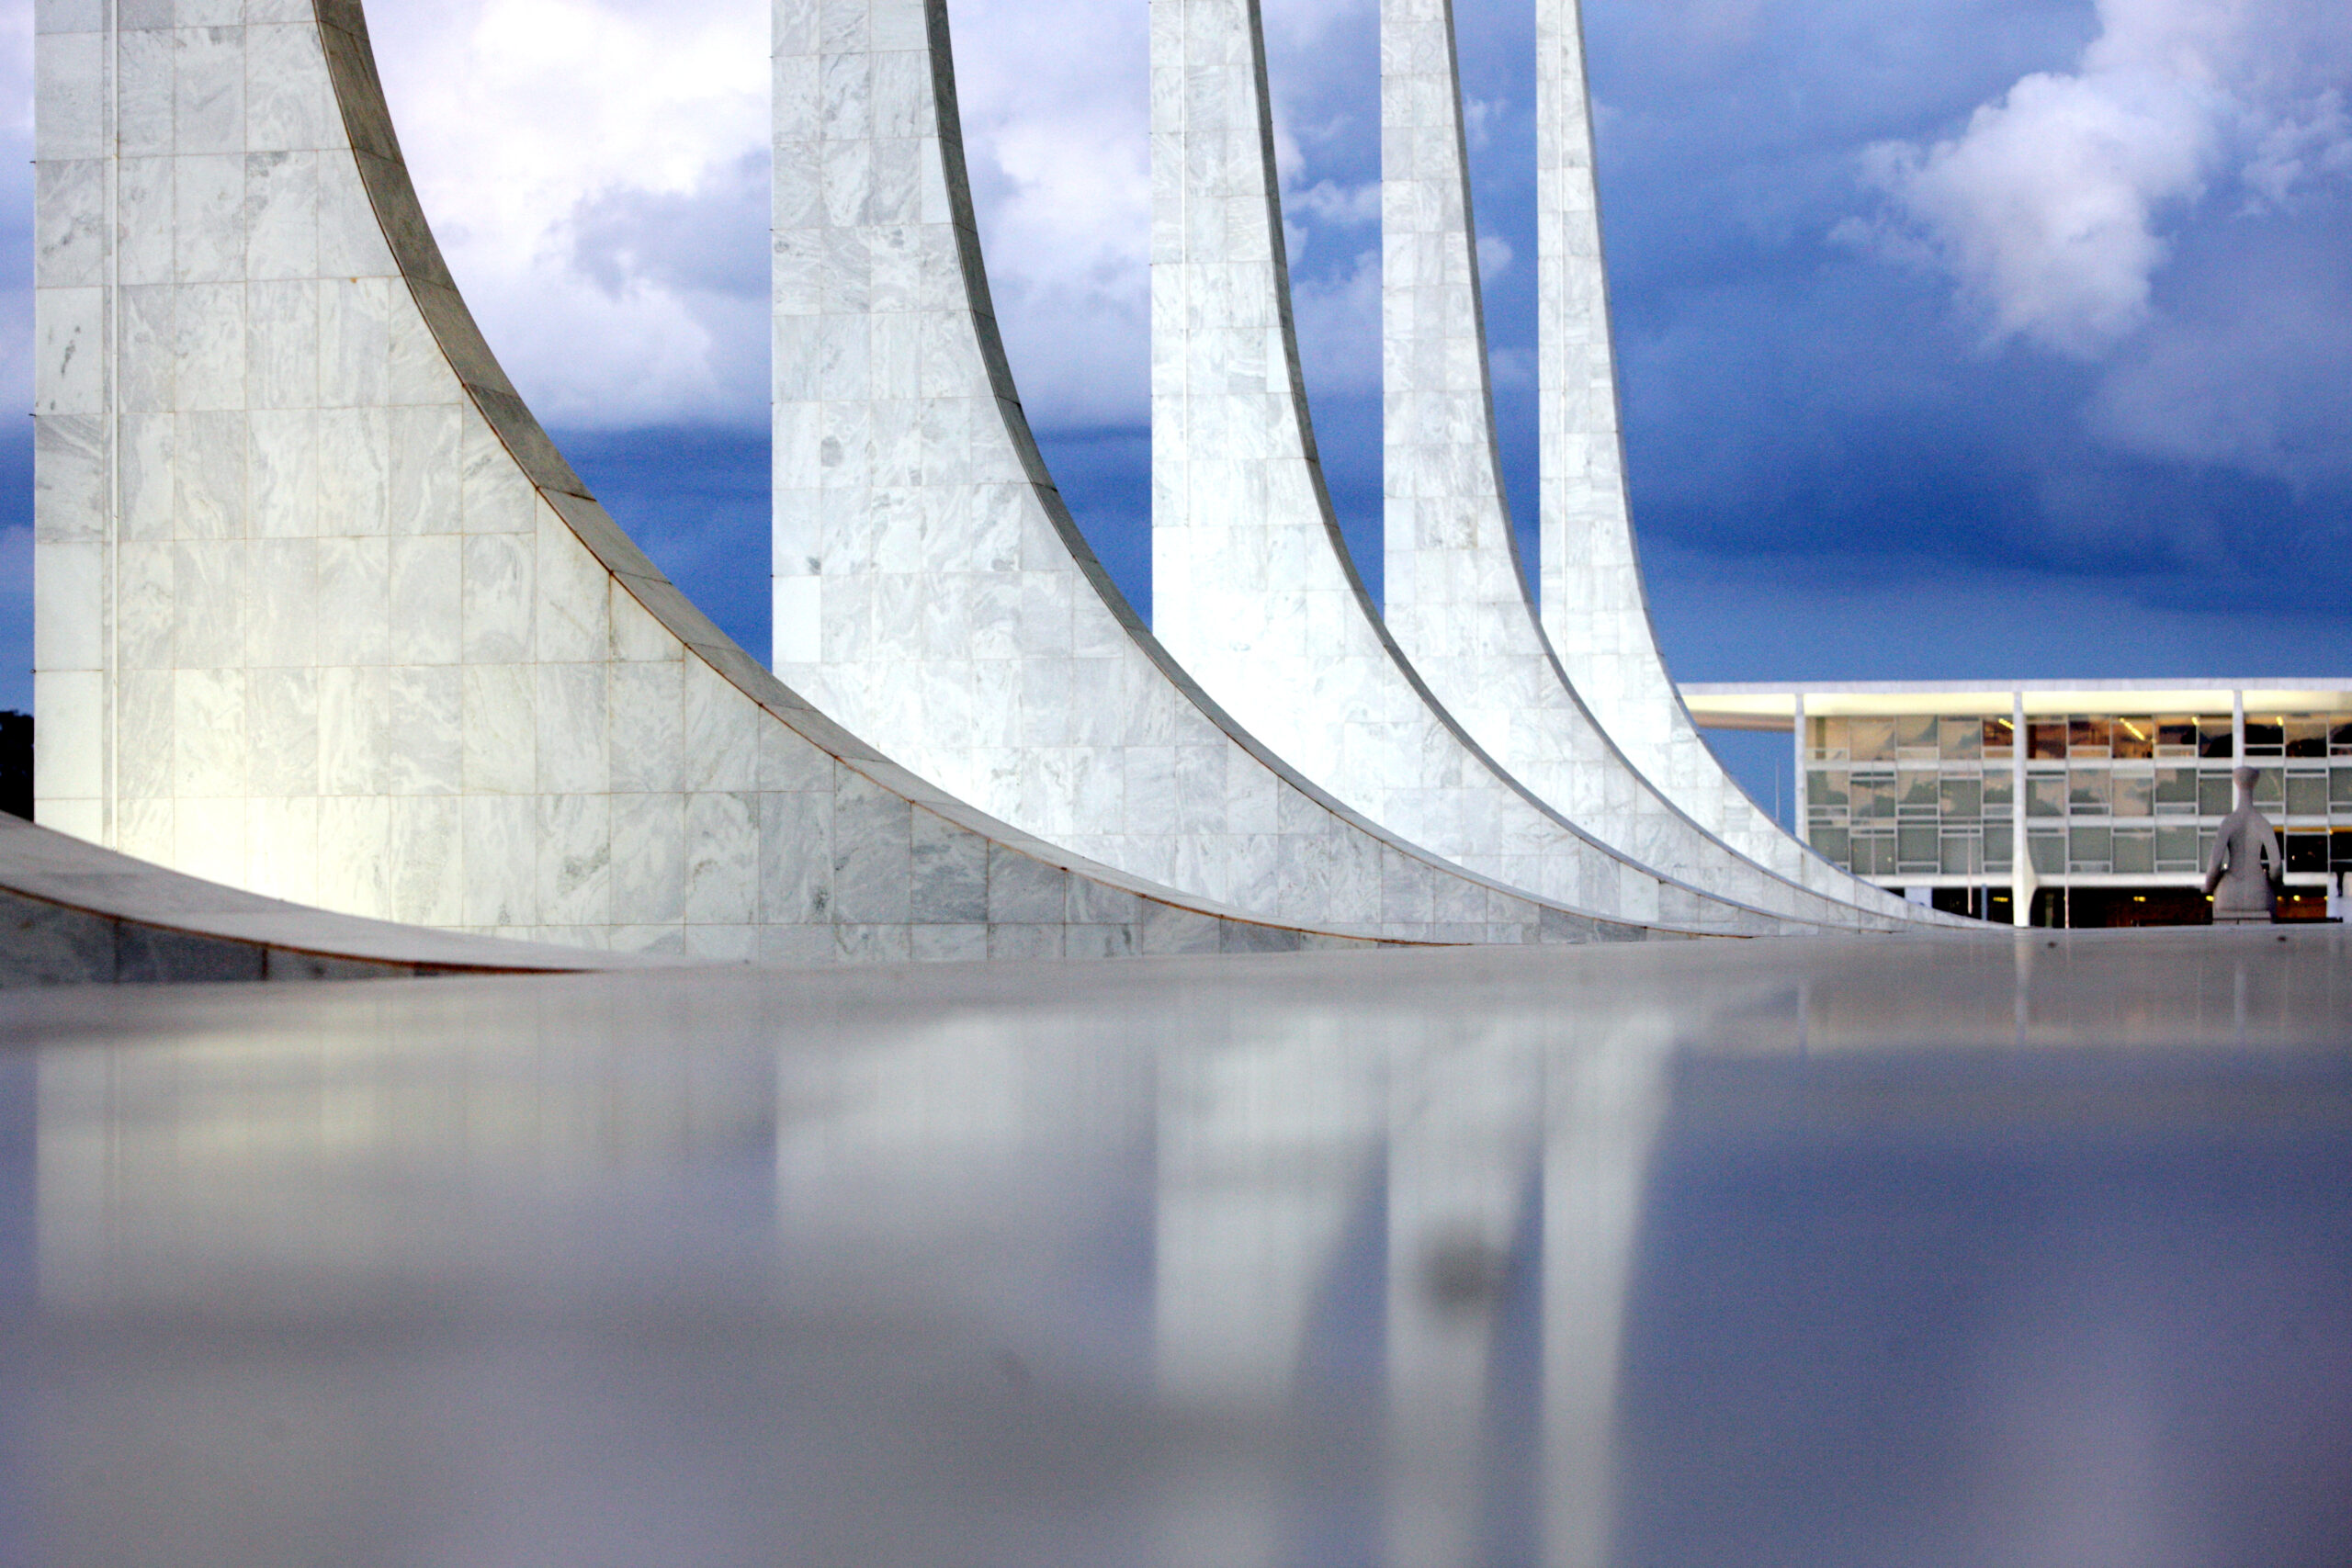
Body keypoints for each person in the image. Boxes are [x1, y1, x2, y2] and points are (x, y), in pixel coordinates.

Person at [2202, 765, 2281, 923]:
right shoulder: (2261, 822)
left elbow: (2214, 865)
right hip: (2258, 891)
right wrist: (2275, 885)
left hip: (2229, 892)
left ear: (2236, 784)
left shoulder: (2229, 822)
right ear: (2255, 784)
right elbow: (2276, 865)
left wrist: (2208, 887)